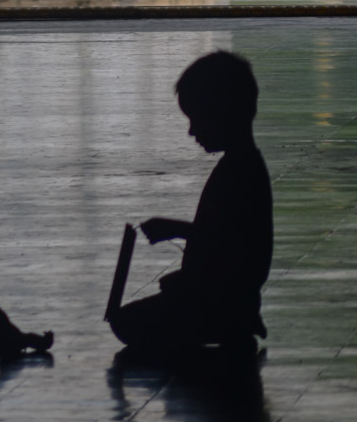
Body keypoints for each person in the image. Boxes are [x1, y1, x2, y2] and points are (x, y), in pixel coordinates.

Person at [108, 51, 273, 354]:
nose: (192, 131)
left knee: (128, 322)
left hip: (220, 301)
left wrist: (178, 230)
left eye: (197, 119)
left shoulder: (239, 174)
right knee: (129, 321)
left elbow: (228, 247)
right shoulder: (242, 167)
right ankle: (237, 317)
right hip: (227, 297)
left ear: (222, 114)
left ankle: (229, 319)